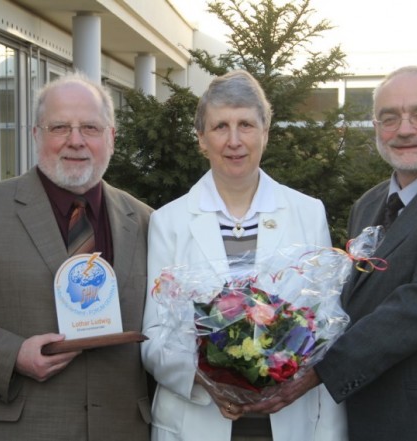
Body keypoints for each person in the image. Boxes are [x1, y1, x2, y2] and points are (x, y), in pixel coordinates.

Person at [242, 65, 417, 441]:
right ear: (376, 128)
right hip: (365, 418)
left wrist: (314, 373)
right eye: (390, 118)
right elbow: (346, 306)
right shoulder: (368, 205)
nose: (404, 130)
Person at [0, 72, 152, 440]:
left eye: (90, 127)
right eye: (59, 127)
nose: (75, 141)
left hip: (122, 429)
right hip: (18, 429)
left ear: (111, 137)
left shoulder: (146, 221)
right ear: (36, 134)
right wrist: (13, 355)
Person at [141, 69, 347, 441]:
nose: (234, 140)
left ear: (265, 133)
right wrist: (206, 381)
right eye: (220, 126)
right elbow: (154, 335)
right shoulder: (167, 222)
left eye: (246, 125)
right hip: (198, 419)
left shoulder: (307, 212)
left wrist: (287, 379)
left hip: (289, 419)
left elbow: (326, 324)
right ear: (201, 139)